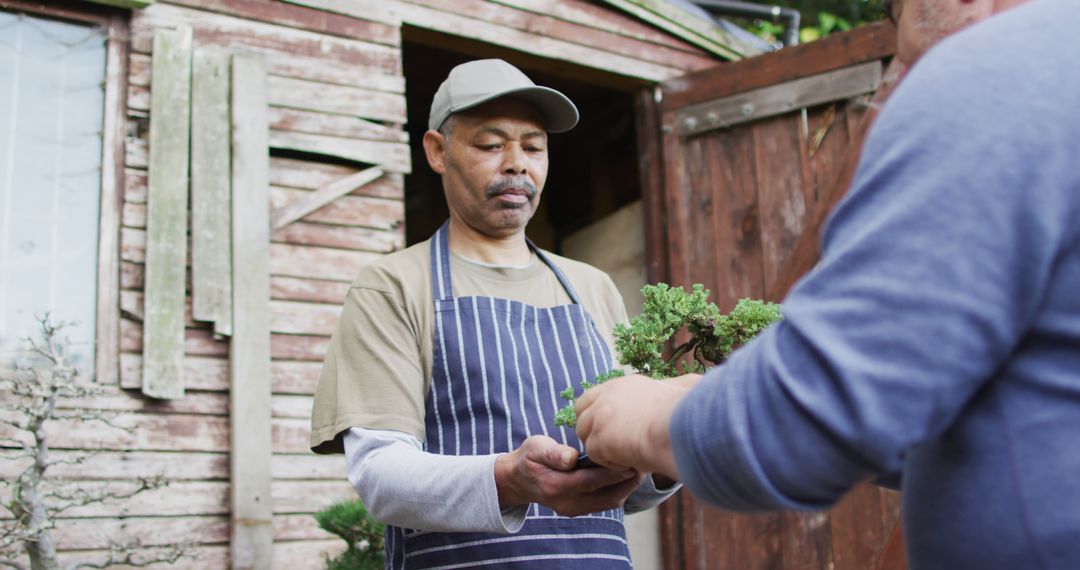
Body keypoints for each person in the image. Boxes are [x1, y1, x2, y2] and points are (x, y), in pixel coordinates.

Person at [575, 0, 1080, 568]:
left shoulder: (998, 70)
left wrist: (645, 420)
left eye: (895, 14)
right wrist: (701, 399)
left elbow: (817, 416)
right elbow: (977, 406)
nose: (901, 58)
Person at [310, 59, 678, 569]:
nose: (516, 164)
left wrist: (668, 449)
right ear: (438, 152)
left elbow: (629, 492)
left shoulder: (592, 288)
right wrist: (509, 479)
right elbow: (381, 476)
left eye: (533, 147)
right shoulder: (393, 286)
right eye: (491, 145)